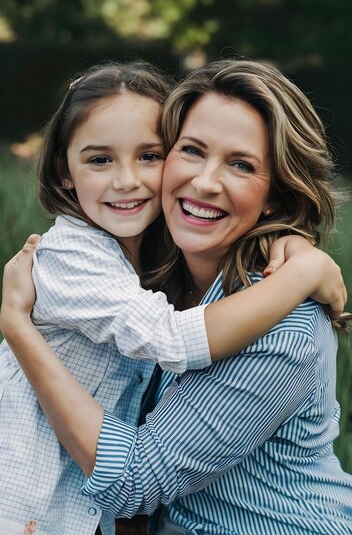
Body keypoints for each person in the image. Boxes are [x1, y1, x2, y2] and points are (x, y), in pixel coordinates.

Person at [0, 59, 350, 535]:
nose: (204, 182)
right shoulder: (141, 269)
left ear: (275, 193)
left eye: (241, 164)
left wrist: (19, 329)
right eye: (191, 151)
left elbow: (135, 481)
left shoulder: (282, 330)